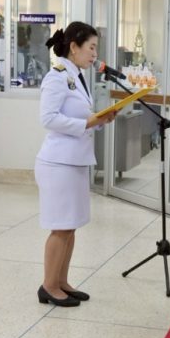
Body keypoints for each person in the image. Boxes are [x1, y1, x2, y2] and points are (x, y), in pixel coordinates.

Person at [35, 22, 115, 307]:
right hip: (58, 163)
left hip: (74, 161)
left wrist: (99, 120)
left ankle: (61, 281)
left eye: (96, 48)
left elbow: (81, 116)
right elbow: (48, 118)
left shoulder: (76, 76)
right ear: (73, 47)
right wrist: (87, 123)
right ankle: (48, 286)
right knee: (60, 227)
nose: (94, 54)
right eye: (91, 47)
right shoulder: (56, 76)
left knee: (70, 226)